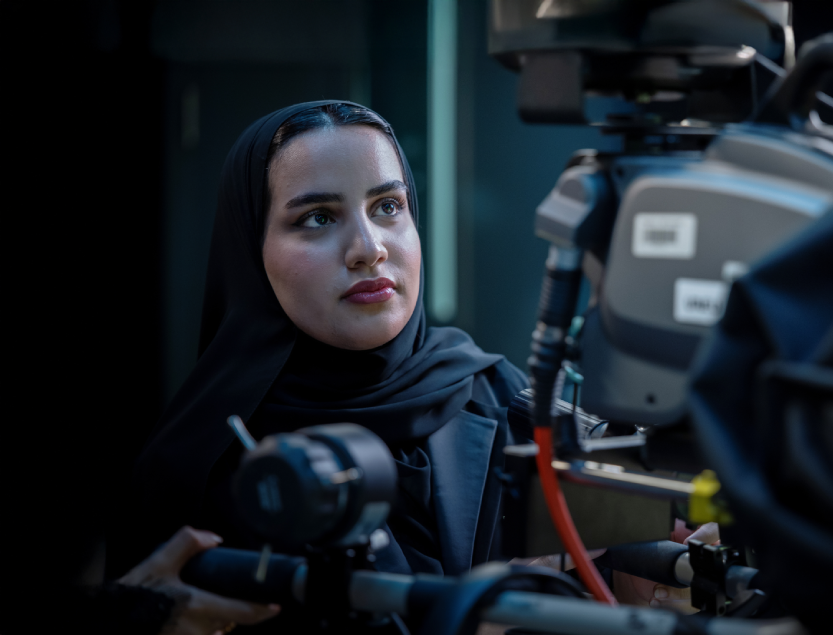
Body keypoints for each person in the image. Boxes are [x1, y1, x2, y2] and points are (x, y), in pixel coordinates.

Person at [109, 101, 533, 625]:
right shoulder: (193, 467)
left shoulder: (499, 394)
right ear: (251, 253)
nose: (368, 248)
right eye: (317, 217)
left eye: (387, 207)